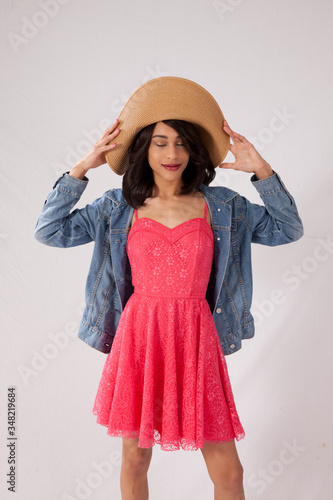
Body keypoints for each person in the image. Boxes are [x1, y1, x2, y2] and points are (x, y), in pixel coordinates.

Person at [34, 77, 303, 500]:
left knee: (230, 475)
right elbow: (49, 231)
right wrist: (82, 167)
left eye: (181, 143)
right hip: (139, 339)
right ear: (144, 148)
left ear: (194, 149)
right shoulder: (116, 207)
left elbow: (288, 229)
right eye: (160, 142)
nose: (172, 154)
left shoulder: (224, 206)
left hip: (198, 340)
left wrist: (262, 170)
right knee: (135, 460)